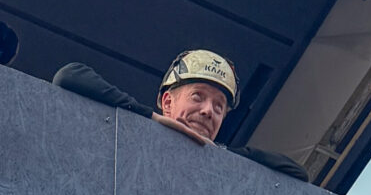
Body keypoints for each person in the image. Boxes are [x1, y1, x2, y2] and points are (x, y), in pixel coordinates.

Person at [50, 48, 310, 179]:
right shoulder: (131, 135)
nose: (208, 111)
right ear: (167, 102)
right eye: (198, 96)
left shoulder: (220, 173)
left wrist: (223, 154)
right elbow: (69, 75)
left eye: (219, 107)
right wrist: (150, 119)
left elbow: (297, 173)